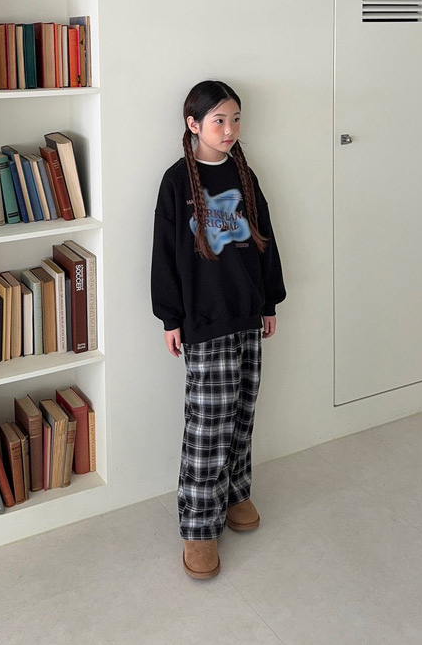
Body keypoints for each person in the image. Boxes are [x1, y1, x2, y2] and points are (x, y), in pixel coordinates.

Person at [151, 79, 286, 580]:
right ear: (193, 124)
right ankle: (198, 527)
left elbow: (266, 239)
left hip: (247, 314)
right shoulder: (175, 182)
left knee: (242, 413)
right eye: (218, 120)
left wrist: (268, 302)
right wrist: (170, 317)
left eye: (235, 119)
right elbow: (164, 253)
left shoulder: (245, 174)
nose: (229, 130)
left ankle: (235, 495)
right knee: (208, 425)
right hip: (203, 321)